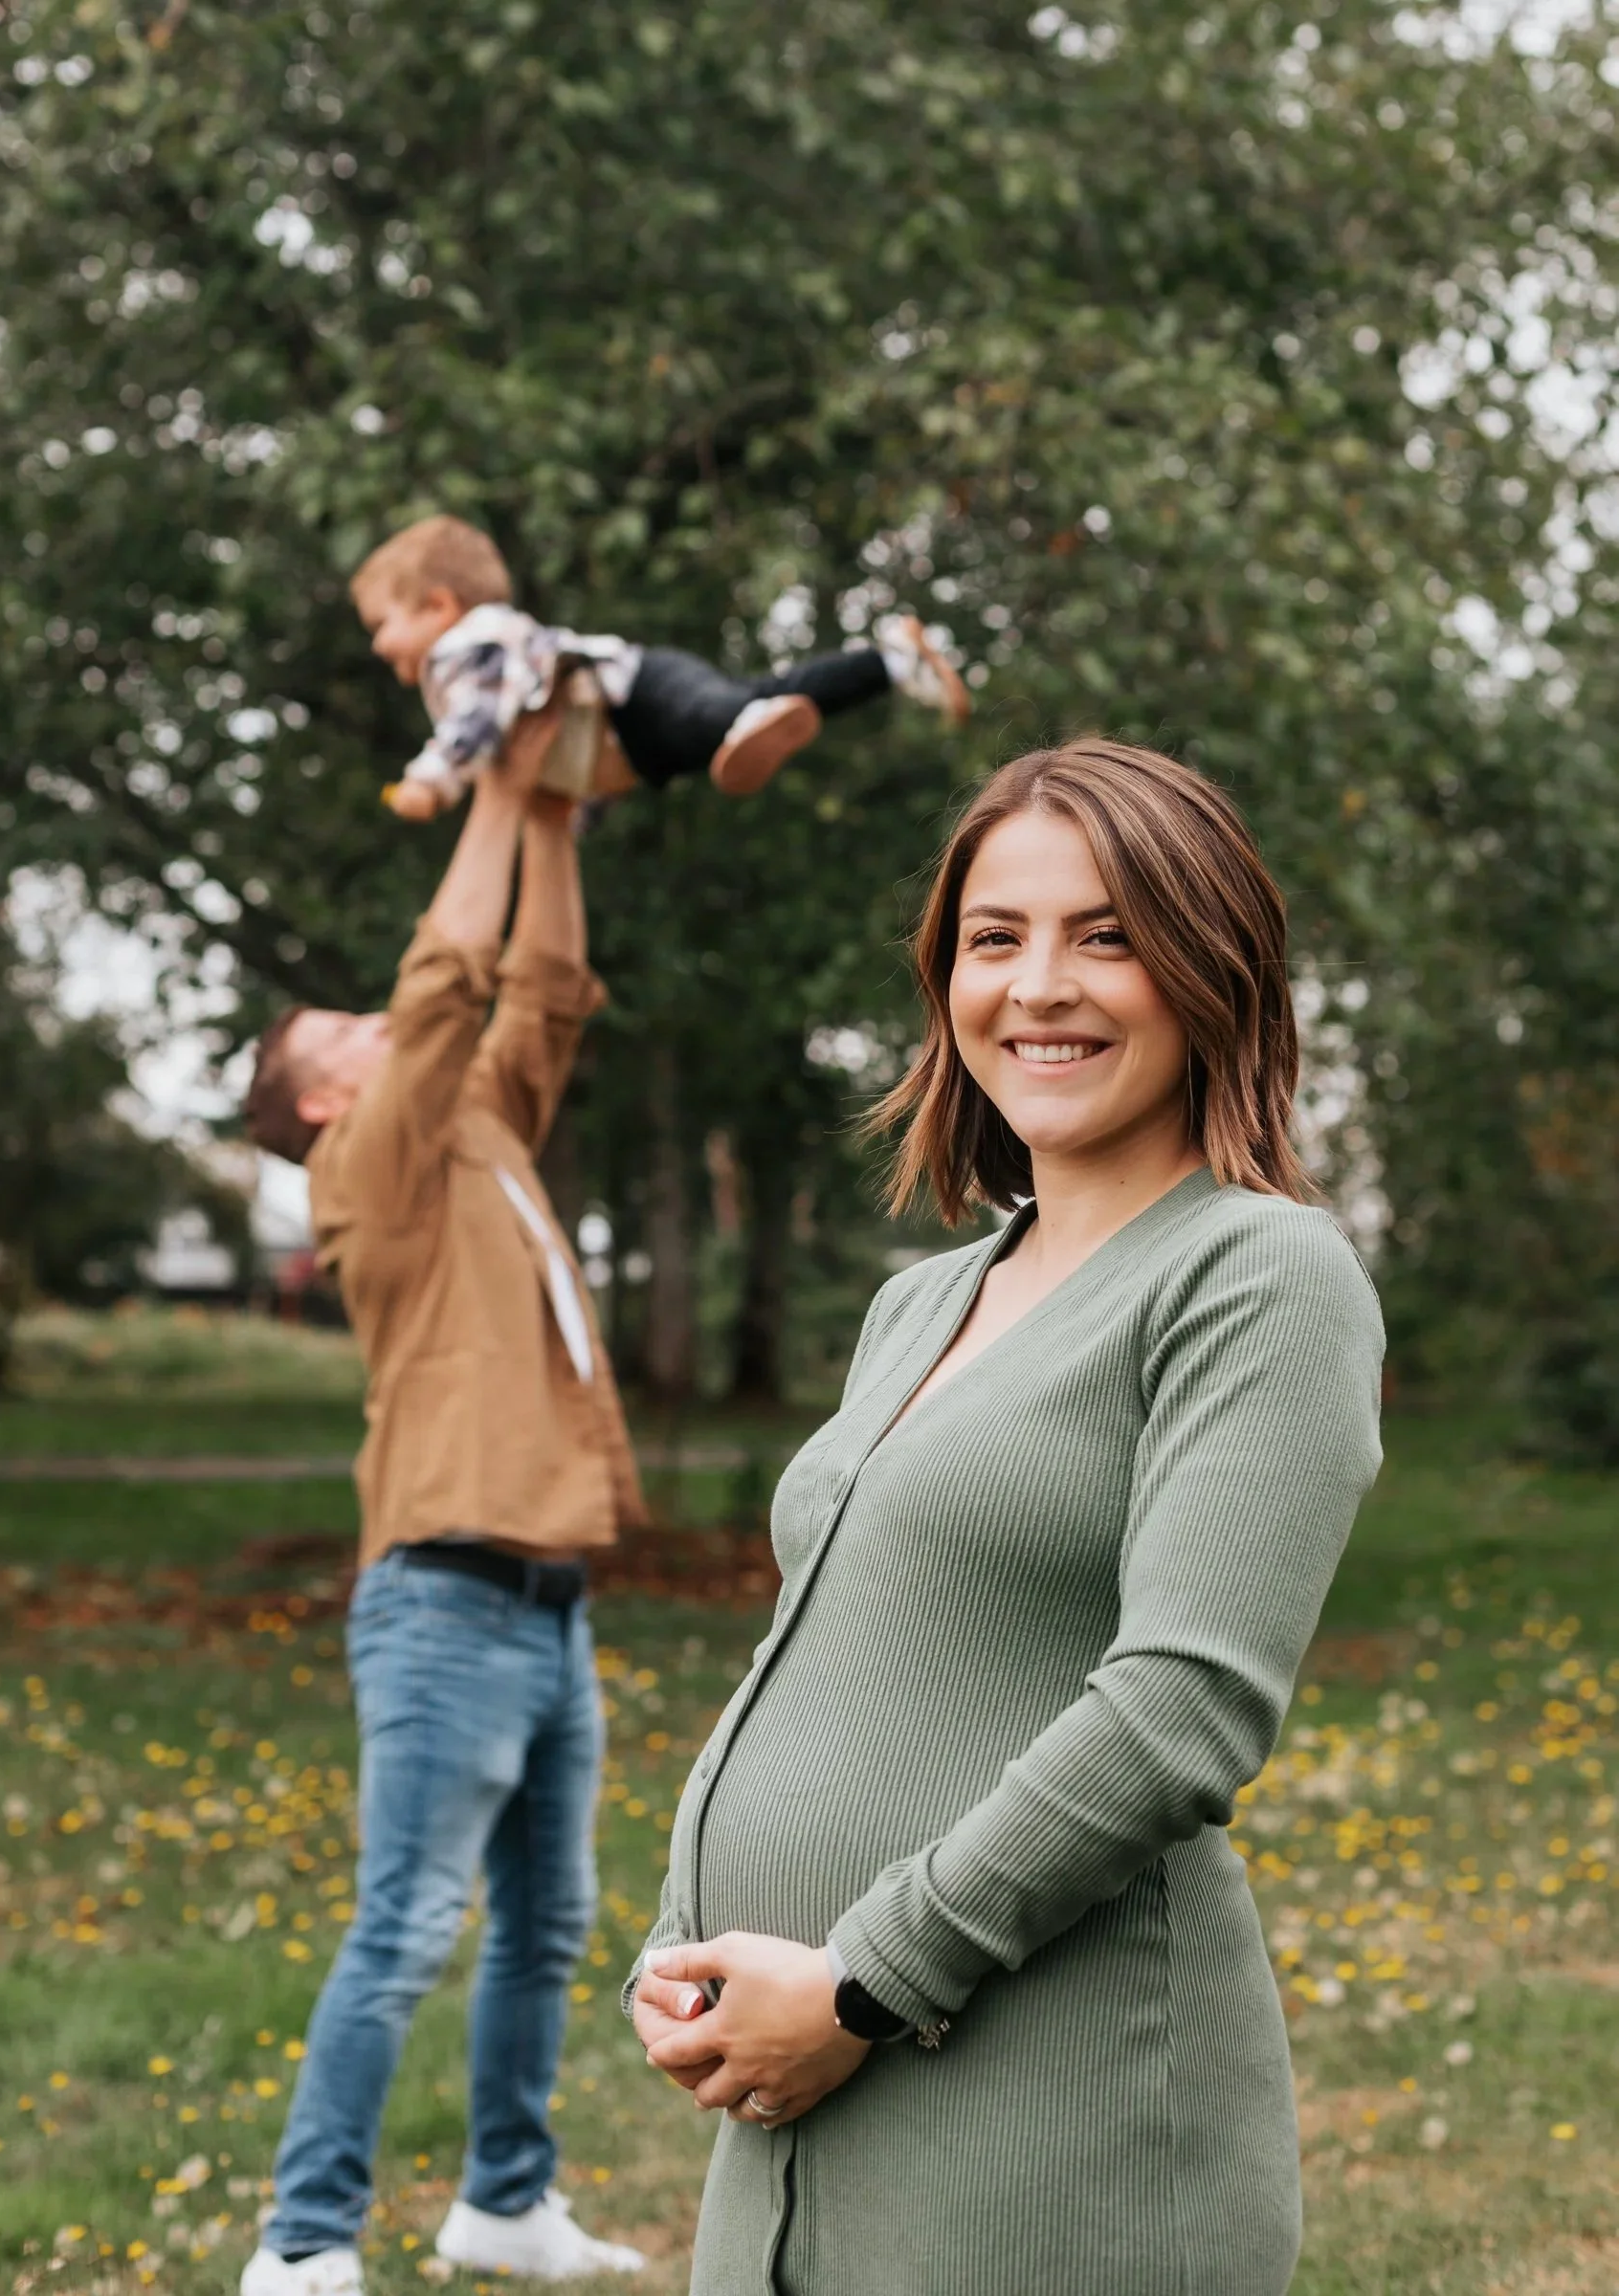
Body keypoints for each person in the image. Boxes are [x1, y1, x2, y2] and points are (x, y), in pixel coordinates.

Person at [627, 739, 1386, 2296]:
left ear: (1209, 970)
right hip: (790, 2094)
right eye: (995, 939)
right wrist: (681, 1941)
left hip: (1054, 2112)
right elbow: (815, 1644)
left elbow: (1182, 1708)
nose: (1038, 984)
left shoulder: (1255, 1277)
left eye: (1104, 935)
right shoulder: (923, 1298)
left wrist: (855, 1984)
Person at [238, 711, 649, 2295]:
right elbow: (445, 985)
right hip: (440, 1602)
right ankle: (302, 2246)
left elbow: (533, 987)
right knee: (404, 1929)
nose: (363, 1020)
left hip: (547, 1603)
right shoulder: (370, 1174)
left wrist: (548, 805)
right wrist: (488, 781)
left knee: (544, 1932)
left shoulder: (471, 1130)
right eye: (328, 1030)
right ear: (326, 1104)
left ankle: (502, 2204)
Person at [350, 514, 969, 818]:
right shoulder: (464, 664)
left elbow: (476, 721)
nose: (378, 646)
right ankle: (889, 662)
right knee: (756, 698)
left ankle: (760, 715)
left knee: (723, 710)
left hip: (640, 692)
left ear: (439, 606)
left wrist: (430, 781)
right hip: (633, 747)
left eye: (382, 624)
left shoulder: (468, 647)